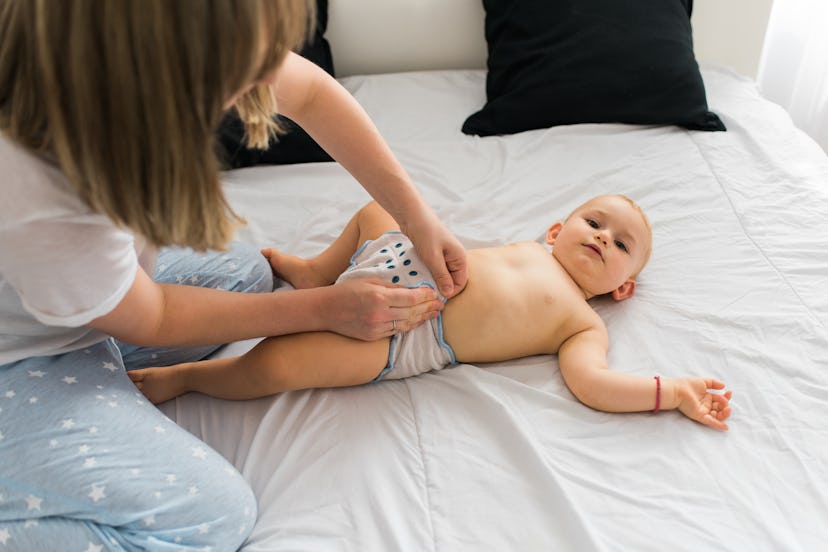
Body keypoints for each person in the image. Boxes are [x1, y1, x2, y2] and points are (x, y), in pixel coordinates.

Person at [0, 0, 466, 549]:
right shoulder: (40, 187)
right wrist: (322, 310)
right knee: (210, 519)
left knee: (248, 271)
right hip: (20, 359)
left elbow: (309, 92)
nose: (270, 74)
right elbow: (151, 316)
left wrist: (417, 216)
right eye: (248, 62)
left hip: (62, 306)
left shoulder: (103, 73)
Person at [130, 195, 734, 432]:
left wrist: (669, 390)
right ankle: (318, 271)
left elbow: (593, 384)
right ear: (555, 229)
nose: (603, 238)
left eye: (621, 246)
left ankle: (188, 377)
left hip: (408, 334)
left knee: (279, 365)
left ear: (623, 289)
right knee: (374, 208)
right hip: (402, 258)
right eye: (595, 222)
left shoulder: (581, 322)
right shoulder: (531, 249)